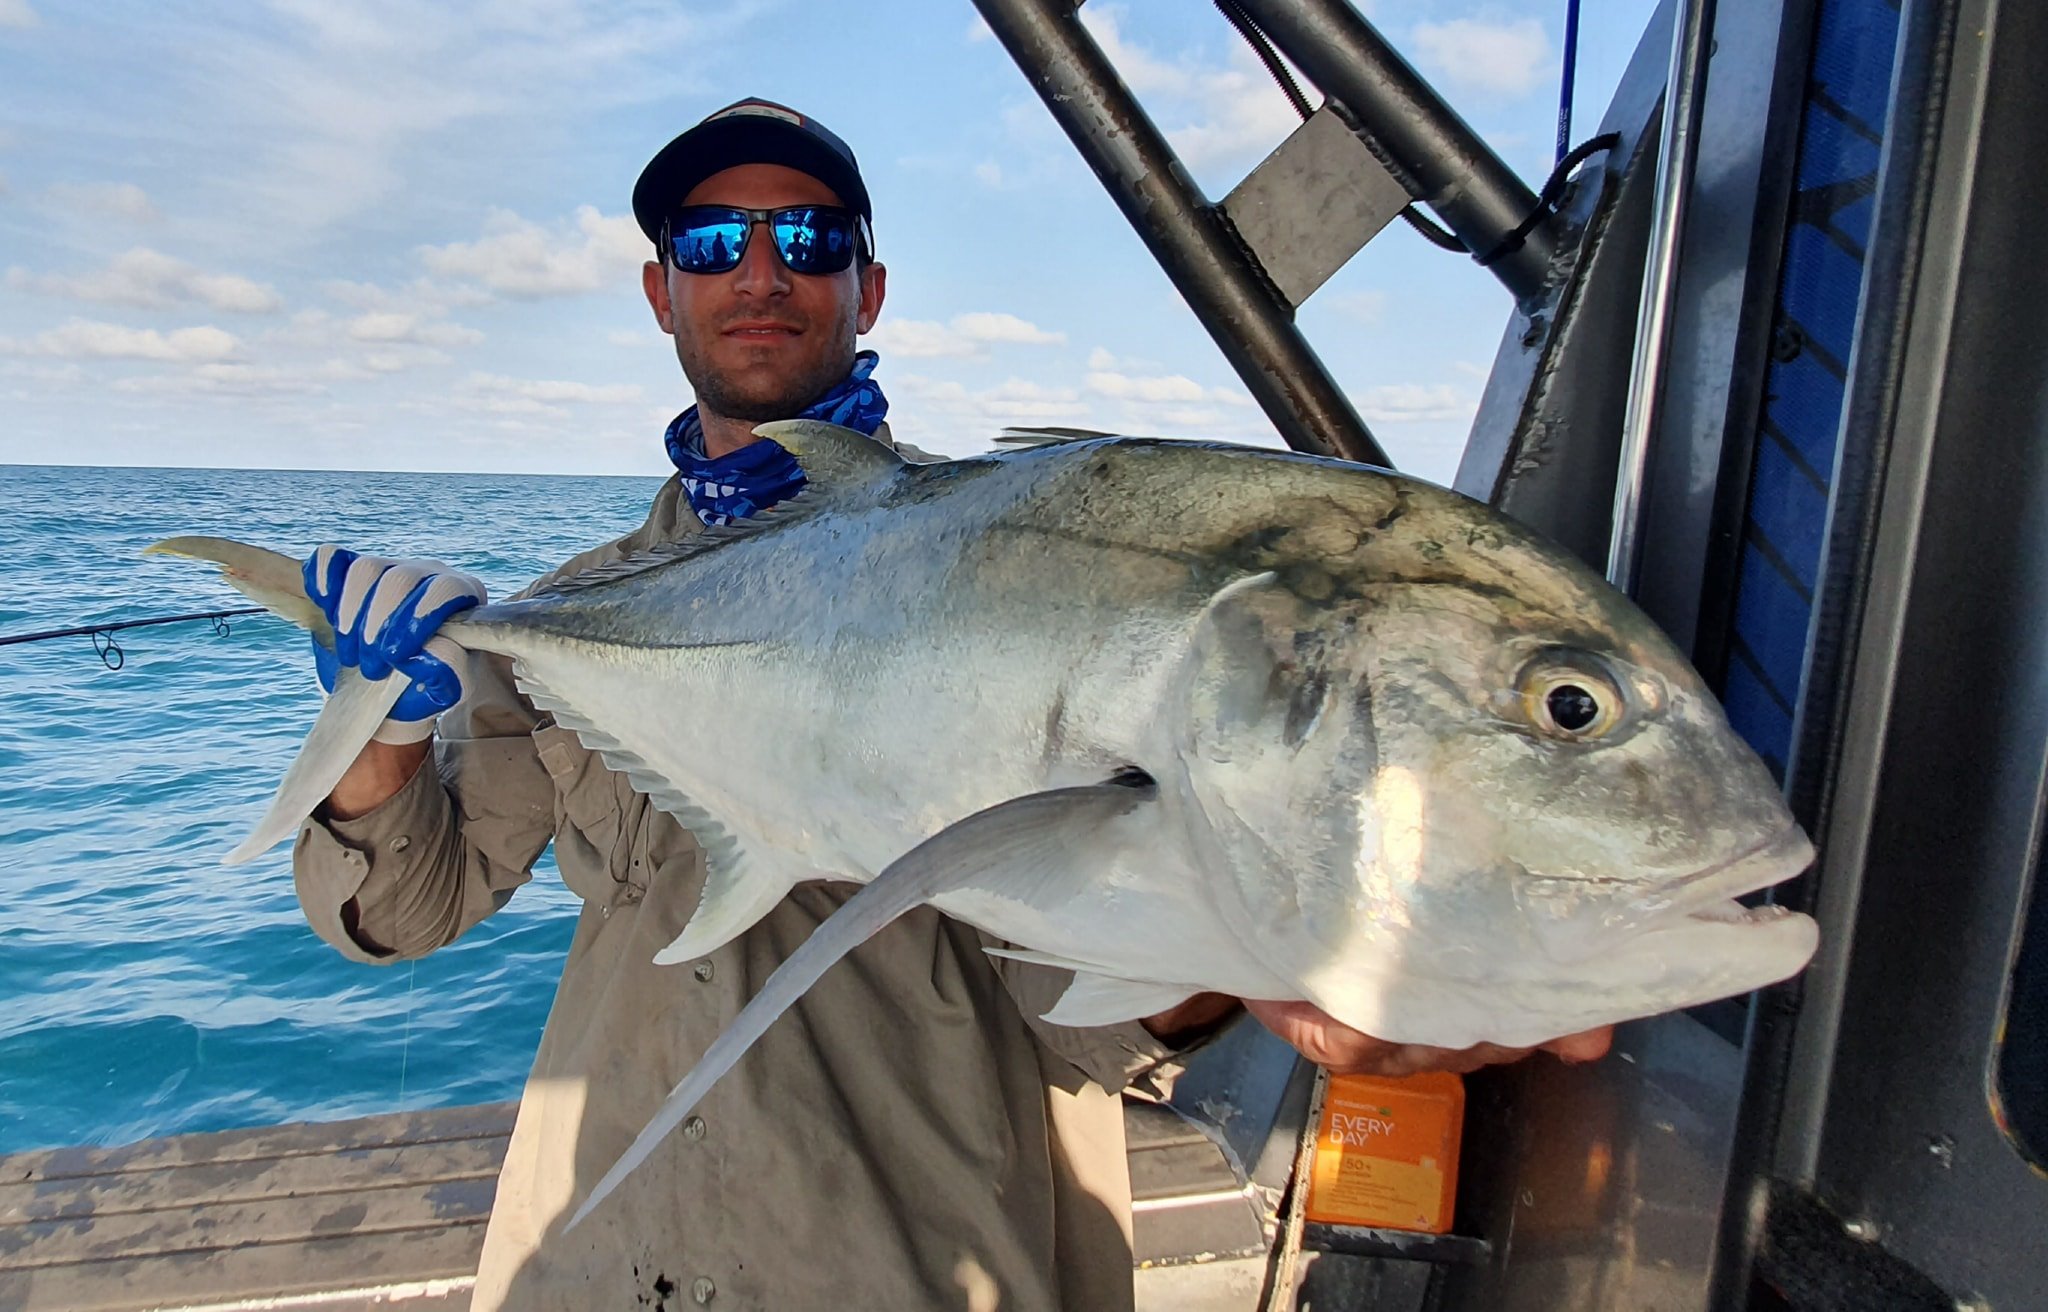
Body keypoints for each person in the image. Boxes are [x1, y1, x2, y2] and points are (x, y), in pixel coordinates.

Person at [292, 98, 1612, 1311]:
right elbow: (409, 911)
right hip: (613, 1262)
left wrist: (1243, 948)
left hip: (937, 1263)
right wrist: (385, 737)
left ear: (867, 288)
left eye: (806, 237)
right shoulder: (583, 612)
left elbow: (1110, 1010)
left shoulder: (1025, 569)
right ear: (661, 291)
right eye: (712, 241)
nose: (761, 272)